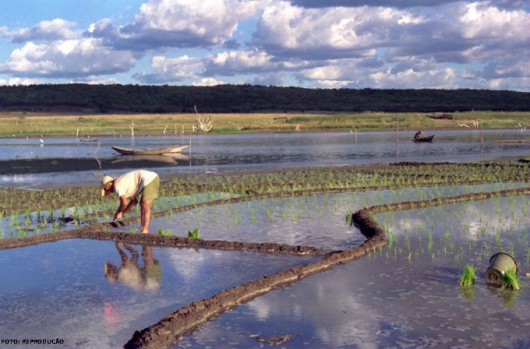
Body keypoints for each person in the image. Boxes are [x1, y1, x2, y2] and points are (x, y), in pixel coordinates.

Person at [101, 169, 159, 234]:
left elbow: (124, 203)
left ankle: (145, 230)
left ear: (109, 185)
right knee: (142, 204)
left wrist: (119, 212)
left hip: (149, 179)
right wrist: (122, 213)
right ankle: (142, 228)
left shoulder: (117, 186)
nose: (108, 191)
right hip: (150, 178)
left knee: (145, 205)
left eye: (106, 189)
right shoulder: (122, 184)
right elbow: (134, 201)